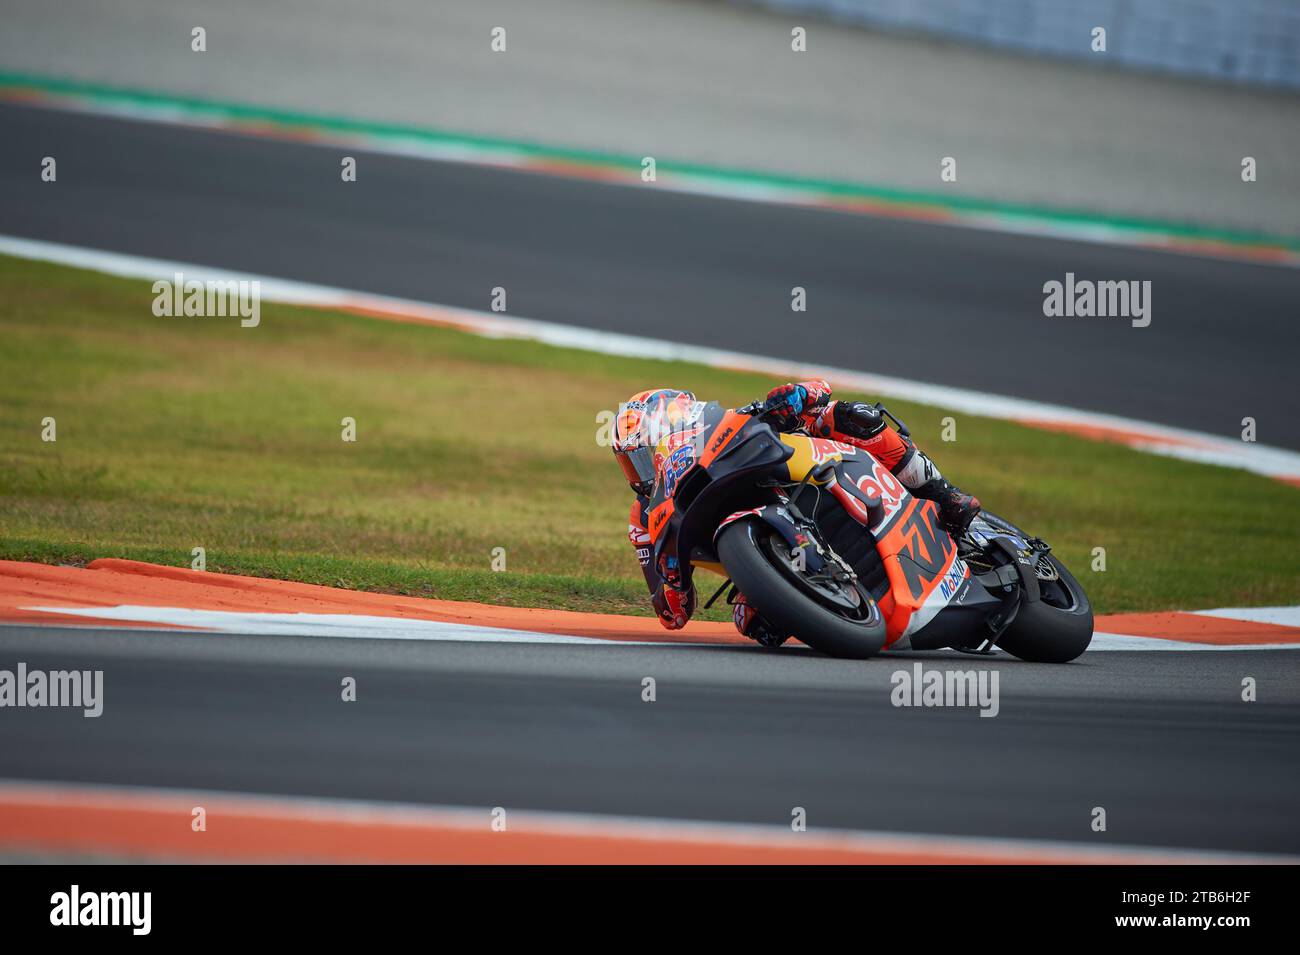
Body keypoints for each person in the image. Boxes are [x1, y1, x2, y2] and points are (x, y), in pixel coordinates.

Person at [612, 382, 980, 643]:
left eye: (644, 454)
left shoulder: (728, 427)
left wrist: (794, 397)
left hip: (808, 474)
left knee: (847, 416)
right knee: (752, 622)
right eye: (630, 462)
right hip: (760, 564)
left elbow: (818, 389)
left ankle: (945, 494)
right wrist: (671, 581)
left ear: (675, 428)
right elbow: (672, 615)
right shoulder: (643, 519)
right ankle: (833, 604)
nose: (639, 473)